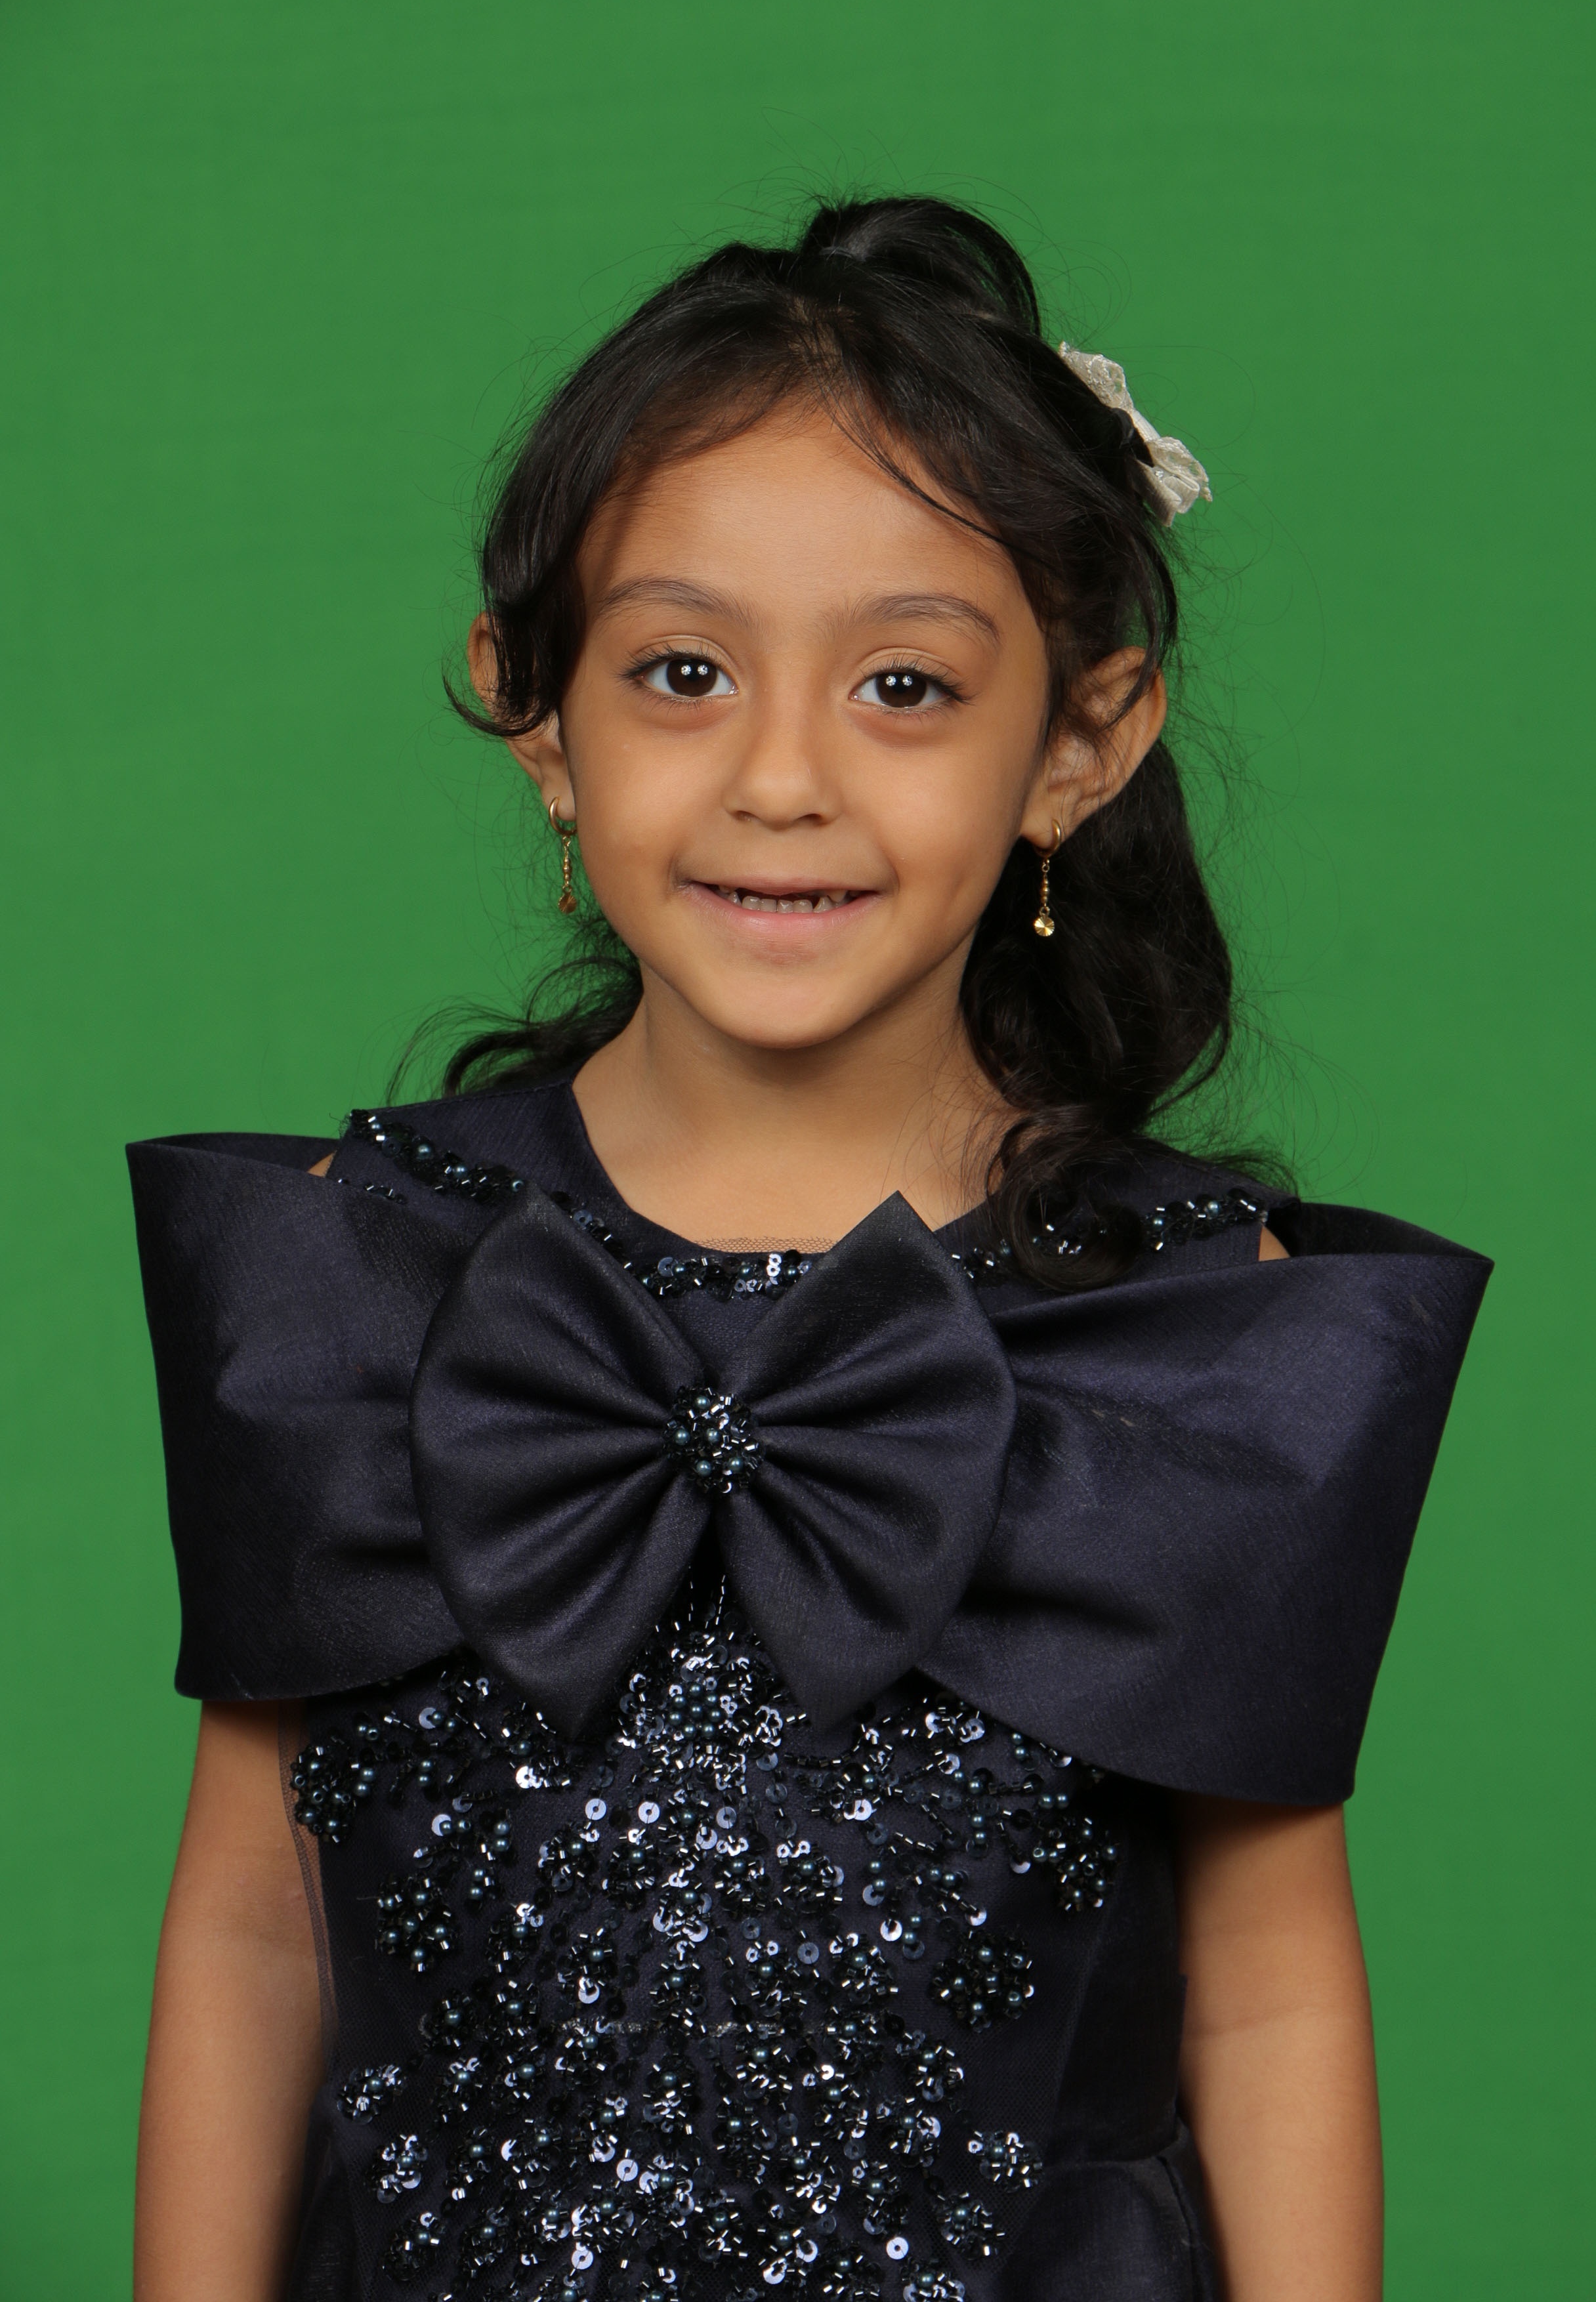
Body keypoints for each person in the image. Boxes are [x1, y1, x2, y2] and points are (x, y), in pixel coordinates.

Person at [127, 197, 1489, 2302]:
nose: (782, 776)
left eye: (904, 686)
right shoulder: (359, 1272)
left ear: (1081, 745)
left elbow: (1272, 1992)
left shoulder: (1200, 1333)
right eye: (684, 673)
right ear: (539, 716)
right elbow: (246, 1919)